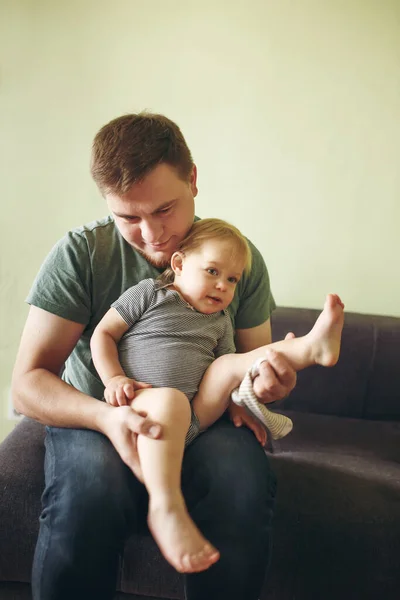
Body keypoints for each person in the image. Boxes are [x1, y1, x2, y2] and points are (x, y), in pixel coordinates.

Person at [11, 112, 298, 600]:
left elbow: (253, 364)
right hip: (97, 413)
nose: (152, 234)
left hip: (200, 419)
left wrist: (265, 388)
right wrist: (106, 418)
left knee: (241, 483)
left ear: (193, 180)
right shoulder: (81, 254)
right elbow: (27, 382)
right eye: (128, 217)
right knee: (90, 493)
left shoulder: (234, 258)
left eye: (164, 209)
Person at [91, 217, 345, 575]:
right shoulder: (149, 293)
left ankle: (309, 349)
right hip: (141, 410)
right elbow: (102, 335)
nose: (222, 286)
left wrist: (234, 406)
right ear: (178, 264)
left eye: (232, 279)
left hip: (193, 418)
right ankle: (165, 508)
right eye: (212, 271)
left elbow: (229, 370)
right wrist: (113, 377)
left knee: (229, 364)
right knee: (170, 400)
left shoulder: (221, 320)